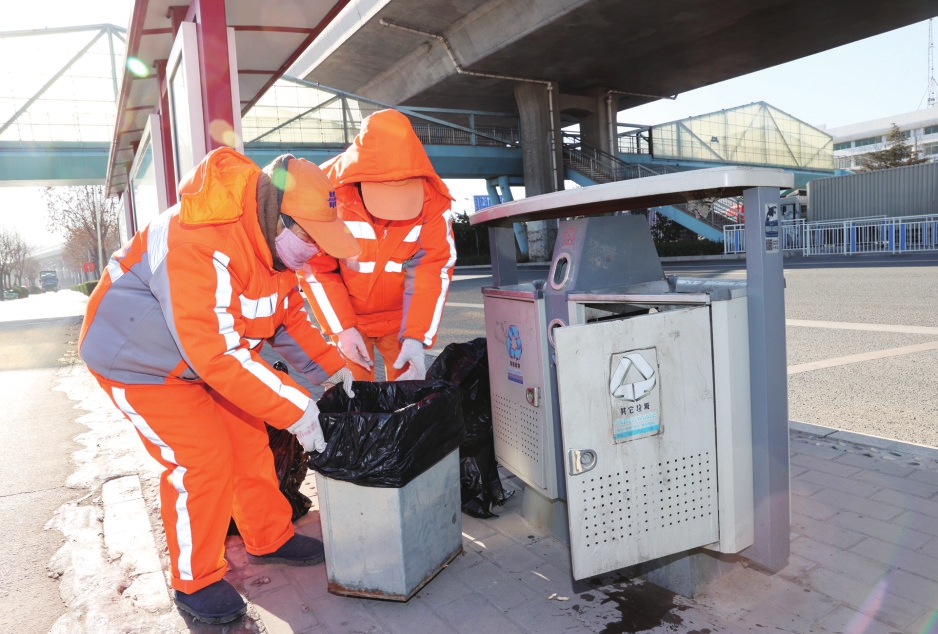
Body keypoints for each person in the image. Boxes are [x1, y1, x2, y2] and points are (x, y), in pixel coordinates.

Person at [78, 147, 359, 624]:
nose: (317, 253)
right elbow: (216, 354)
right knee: (202, 462)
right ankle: (196, 581)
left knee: (249, 443)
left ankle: (270, 537)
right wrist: (299, 410)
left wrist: (333, 370)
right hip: (139, 363)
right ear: (280, 219)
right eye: (312, 240)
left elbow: (286, 318)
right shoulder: (198, 240)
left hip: (202, 359)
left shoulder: (270, 247)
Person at [301, 109, 457, 381]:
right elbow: (317, 267)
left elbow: (434, 266)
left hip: (401, 321)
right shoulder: (328, 194)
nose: (388, 213)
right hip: (350, 316)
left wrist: (416, 338)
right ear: (360, 179)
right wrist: (343, 330)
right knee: (353, 400)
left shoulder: (433, 199)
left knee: (409, 398)